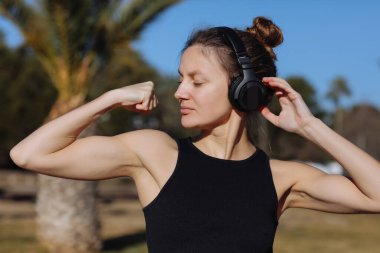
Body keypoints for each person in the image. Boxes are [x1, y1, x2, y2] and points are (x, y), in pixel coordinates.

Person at [10, 16, 380, 253]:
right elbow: (29, 156)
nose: (180, 92)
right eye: (180, 78)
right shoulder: (155, 154)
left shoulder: (282, 178)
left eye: (197, 81)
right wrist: (107, 100)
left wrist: (311, 127)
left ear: (245, 89)